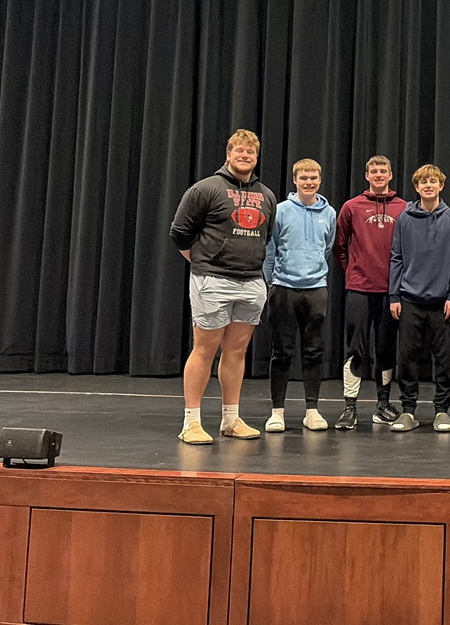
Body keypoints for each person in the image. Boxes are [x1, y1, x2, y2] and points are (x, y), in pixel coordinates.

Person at [169, 128, 277, 444]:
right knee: (205, 350)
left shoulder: (267, 195)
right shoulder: (206, 189)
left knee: (236, 351)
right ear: (228, 154)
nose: (245, 156)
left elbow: (265, 237)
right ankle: (191, 422)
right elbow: (180, 234)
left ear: (256, 158)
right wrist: (205, 263)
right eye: (239, 151)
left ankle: (231, 419)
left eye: (250, 153)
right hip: (212, 281)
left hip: (252, 283)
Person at [387, 164, 450, 433]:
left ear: (441, 186)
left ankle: (442, 410)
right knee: (407, 357)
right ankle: (408, 411)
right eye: (423, 182)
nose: (428, 185)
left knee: (444, 360)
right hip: (409, 299)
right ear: (417, 187)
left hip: (443, 301)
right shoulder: (404, 219)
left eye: (433, 181)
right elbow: (396, 257)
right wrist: (394, 294)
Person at [333, 155, 409, 429]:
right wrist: (354, 272)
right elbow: (340, 247)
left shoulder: (404, 208)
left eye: (383, 170)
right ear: (367, 175)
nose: (378, 174)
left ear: (390, 175)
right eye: (374, 171)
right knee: (355, 348)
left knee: (386, 348)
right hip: (359, 289)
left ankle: (383, 403)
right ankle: (349, 406)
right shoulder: (352, 207)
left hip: (391, 292)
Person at [261, 158, 336, 433]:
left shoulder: (329, 213)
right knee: (282, 352)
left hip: (315, 290)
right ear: (295, 180)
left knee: (314, 351)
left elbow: (326, 248)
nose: (309, 182)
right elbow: (271, 248)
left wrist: (314, 271)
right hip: (283, 289)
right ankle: (277, 412)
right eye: (304, 178)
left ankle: (312, 410)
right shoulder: (280, 211)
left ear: (319, 180)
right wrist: (270, 282)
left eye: (313, 178)